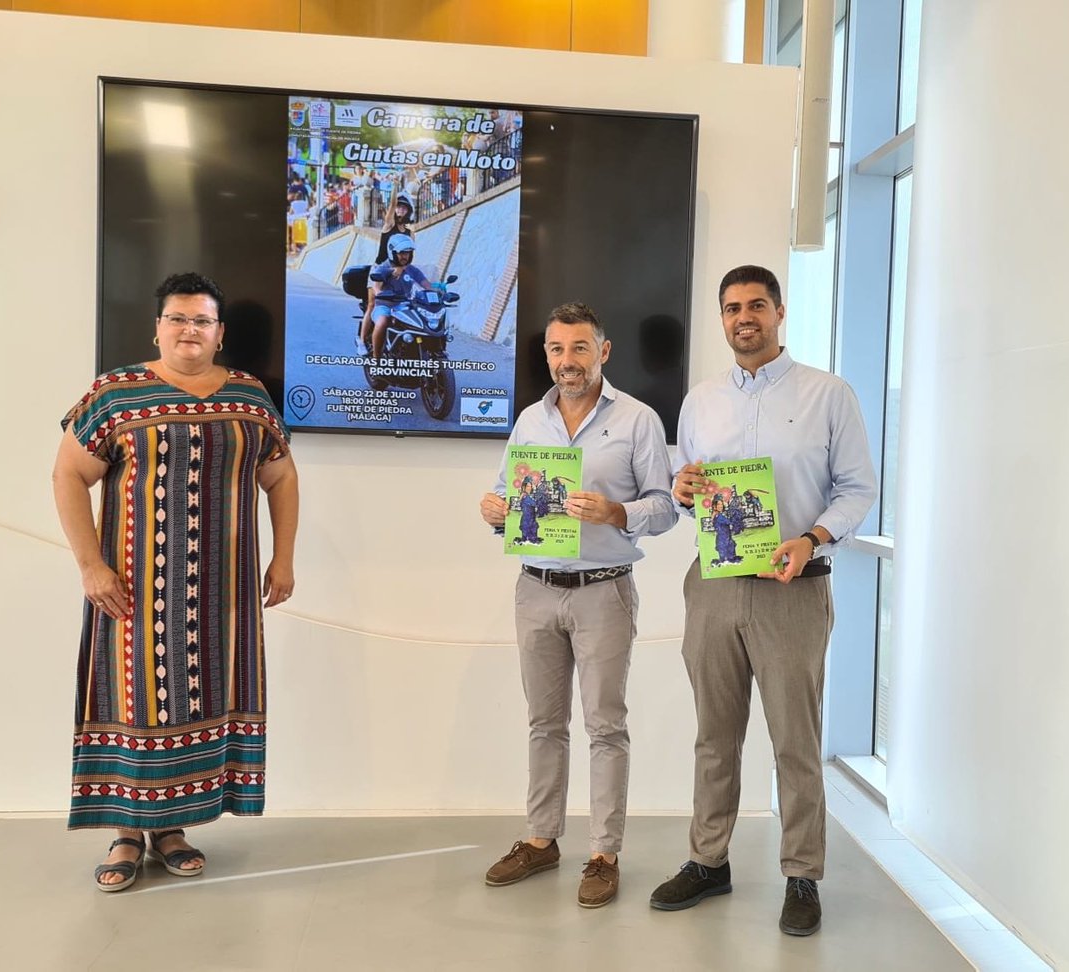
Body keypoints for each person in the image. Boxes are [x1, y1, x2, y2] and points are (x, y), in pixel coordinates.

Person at [52, 272, 300, 892]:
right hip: (131, 590)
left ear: (219, 334)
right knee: (135, 702)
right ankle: (128, 834)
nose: (190, 330)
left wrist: (284, 559)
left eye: (203, 321)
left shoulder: (248, 397)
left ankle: (174, 828)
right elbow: (67, 476)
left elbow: (283, 479)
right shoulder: (116, 394)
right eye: (179, 319)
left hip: (225, 596)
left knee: (203, 703)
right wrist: (89, 564)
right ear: (158, 326)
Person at [650, 265, 877, 935]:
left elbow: (859, 489)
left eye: (755, 305)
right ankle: (707, 861)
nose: (742, 317)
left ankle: (802, 874)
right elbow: (683, 487)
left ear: (779, 312)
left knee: (794, 742)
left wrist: (812, 538)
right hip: (716, 589)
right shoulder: (700, 401)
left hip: (793, 593)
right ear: (721, 320)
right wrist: (683, 488)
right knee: (714, 739)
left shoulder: (828, 395)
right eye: (730, 308)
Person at [478, 302, 678, 909]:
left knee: (605, 726)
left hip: (604, 590)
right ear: (548, 355)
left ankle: (603, 852)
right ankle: (541, 840)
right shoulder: (529, 422)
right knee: (544, 723)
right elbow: (509, 494)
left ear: (603, 352)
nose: (568, 361)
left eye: (580, 348)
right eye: (558, 349)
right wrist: (494, 510)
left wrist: (618, 513)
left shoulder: (639, 420)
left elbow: (667, 507)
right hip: (535, 587)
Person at [358, 191, 416, 353]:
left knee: (402, 304)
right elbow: (390, 206)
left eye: (404, 208)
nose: (400, 211)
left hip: (399, 271)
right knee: (373, 304)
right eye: (398, 207)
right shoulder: (389, 226)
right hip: (380, 269)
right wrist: (396, 187)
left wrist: (402, 269)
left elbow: (410, 255)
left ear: (408, 211)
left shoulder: (410, 233)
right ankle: (362, 341)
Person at [366, 233, 432, 361]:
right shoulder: (383, 268)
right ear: (392, 253)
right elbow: (376, 288)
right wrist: (381, 293)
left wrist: (438, 294)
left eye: (407, 253)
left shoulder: (411, 270)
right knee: (382, 322)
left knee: (422, 324)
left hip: (405, 306)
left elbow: (427, 285)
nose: (405, 256)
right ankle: (376, 358)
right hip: (385, 305)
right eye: (401, 253)